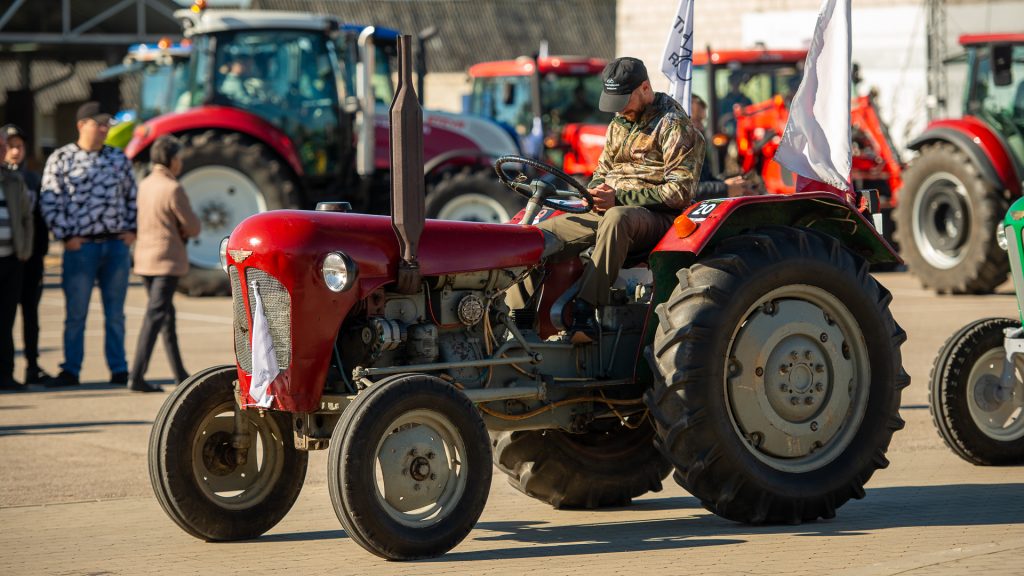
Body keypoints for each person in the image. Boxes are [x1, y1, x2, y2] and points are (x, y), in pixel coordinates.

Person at [528, 57, 704, 343]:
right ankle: (519, 321)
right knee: (534, 234)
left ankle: (584, 312)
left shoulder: (674, 125)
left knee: (616, 218)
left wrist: (619, 198)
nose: (619, 109)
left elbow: (679, 192)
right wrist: (595, 190)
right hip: (608, 209)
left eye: (624, 100)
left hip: (656, 218)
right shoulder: (619, 123)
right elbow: (602, 170)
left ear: (645, 88)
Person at [40, 102, 137, 388]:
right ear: (82, 125)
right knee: (76, 314)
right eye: (99, 123)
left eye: (107, 124)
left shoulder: (118, 158)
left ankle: (119, 369)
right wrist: (66, 236)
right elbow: (50, 200)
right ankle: (71, 369)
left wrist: (132, 230)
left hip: (116, 246)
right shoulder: (61, 158)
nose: (105, 129)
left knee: (115, 314)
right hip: (81, 248)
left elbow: (133, 196)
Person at [128, 136, 200, 393]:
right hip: (166, 261)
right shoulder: (173, 188)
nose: (180, 163)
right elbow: (193, 226)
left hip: (145, 259)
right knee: (156, 316)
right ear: (171, 159)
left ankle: (180, 373)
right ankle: (137, 375)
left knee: (166, 317)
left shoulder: (145, 184)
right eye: (178, 158)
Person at [3, 124, 52, 385]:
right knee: (6, 316)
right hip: (10, 258)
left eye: (19, 146)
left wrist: (36, 251)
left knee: (30, 314)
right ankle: (6, 369)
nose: (14, 151)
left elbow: (37, 220)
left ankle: (32, 365)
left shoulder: (31, 179)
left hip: (29, 258)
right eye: (9, 146)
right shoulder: (7, 179)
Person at [0, 130, 33, 391]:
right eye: (1, 146)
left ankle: (6, 375)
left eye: (4, 146)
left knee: (6, 320)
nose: (4, 150)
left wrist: (24, 250)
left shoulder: (13, 180)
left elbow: (26, 218)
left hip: (11, 261)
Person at [689, 95, 756, 200]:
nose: (701, 127)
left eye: (702, 121)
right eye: (697, 120)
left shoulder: (696, 149)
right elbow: (682, 192)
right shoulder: (676, 152)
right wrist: (725, 189)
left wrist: (736, 186)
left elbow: (706, 180)